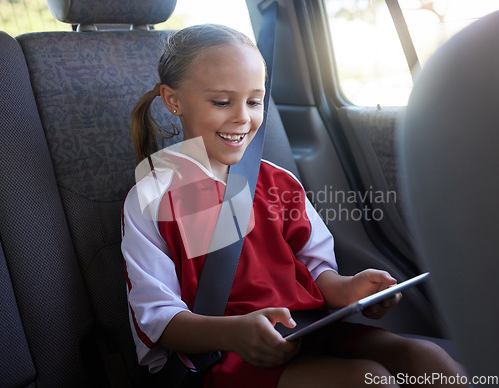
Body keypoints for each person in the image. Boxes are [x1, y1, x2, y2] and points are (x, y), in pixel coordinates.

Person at [121, 24, 466, 388]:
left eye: (254, 101)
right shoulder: (153, 197)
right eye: (222, 102)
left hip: (310, 331)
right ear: (173, 100)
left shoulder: (279, 183)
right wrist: (234, 333)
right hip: (223, 354)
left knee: (426, 359)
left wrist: (350, 290)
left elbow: (317, 273)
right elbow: (158, 319)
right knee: (367, 380)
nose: (243, 117)